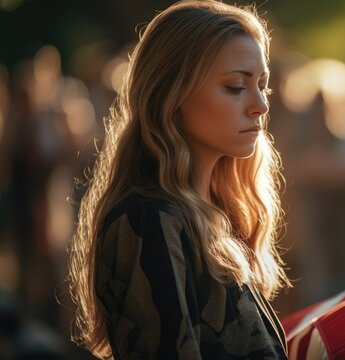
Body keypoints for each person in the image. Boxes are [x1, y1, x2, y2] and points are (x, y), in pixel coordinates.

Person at [67, 1, 290, 358]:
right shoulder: (149, 221)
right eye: (236, 86)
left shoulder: (218, 212)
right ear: (171, 93)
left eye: (263, 85)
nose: (260, 105)